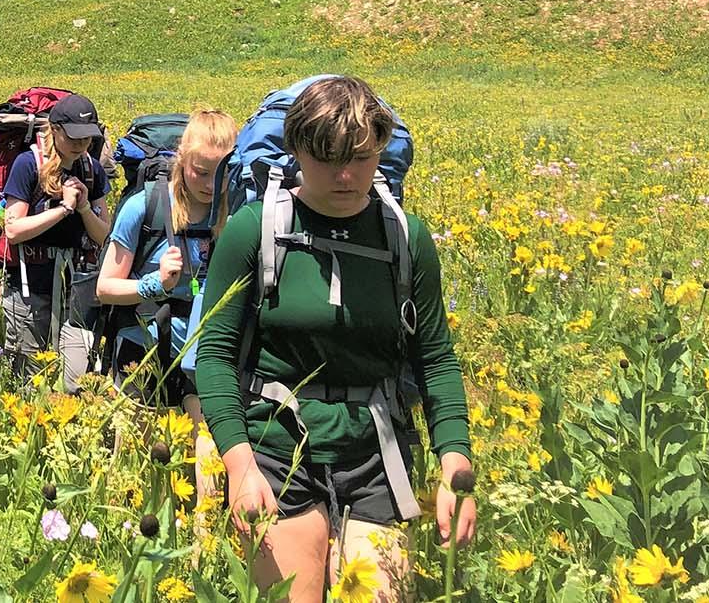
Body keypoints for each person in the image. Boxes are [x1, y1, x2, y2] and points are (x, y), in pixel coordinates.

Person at [195, 77, 475, 602]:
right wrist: (239, 464)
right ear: (296, 149)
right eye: (326, 158)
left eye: (361, 157)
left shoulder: (406, 238)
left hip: (375, 452)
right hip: (275, 445)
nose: (346, 175)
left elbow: (435, 358)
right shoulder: (254, 230)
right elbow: (213, 354)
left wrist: (453, 458)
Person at [96, 107, 235, 499]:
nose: (210, 183)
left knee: (209, 448)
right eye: (200, 171)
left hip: (204, 347)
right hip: (142, 343)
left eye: (220, 172)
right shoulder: (145, 206)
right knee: (133, 456)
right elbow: (105, 288)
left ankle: (202, 544)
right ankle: (126, 529)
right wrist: (153, 284)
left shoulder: (235, 211)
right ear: (182, 160)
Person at [0, 93, 111, 392]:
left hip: (75, 292)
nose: (80, 144)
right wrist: (62, 210)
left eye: (87, 138)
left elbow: (104, 236)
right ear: (56, 129)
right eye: (74, 137)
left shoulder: (92, 170)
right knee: (30, 383)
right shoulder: (28, 164)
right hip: (29, 289)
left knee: (75, 382)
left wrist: (84, 207)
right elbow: (13, 229)